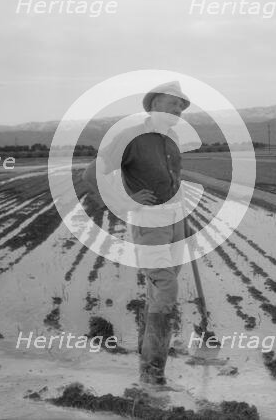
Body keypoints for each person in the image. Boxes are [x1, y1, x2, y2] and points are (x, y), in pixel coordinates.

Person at [82, 80, 191, 385]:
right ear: (155, 104)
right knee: (166, 288)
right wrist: (123, 203)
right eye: (175, 104)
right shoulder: (130, 136)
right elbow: (91, 174)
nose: (180, 110)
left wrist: (186, 221)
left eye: (182, 106)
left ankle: (147, 363)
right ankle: (154, 371)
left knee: (159, 291)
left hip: (175, 223)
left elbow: (174, 182)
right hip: (149, 222)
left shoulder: (171, 138)